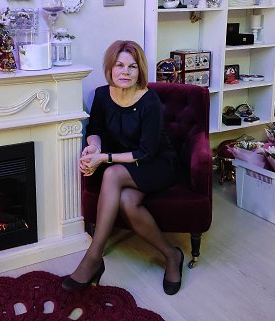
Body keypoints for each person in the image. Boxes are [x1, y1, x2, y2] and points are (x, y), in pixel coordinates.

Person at [62, 40, 184, 295]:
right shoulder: (102, 95)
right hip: (125, 164)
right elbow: (94, 129)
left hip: (157, 163)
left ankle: (93, 258)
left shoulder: (149, 101)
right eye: (119, 65)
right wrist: (94, 147)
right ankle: (172, 255)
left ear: (140, 71)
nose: (125, 72)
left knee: (112, 173)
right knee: (128, 201)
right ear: (110, 67)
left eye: (132, 66)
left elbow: (145, 152)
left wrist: (103, 158)